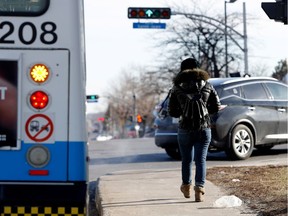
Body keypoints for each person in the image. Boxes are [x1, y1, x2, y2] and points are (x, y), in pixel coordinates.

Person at [168, 58, 221, 202]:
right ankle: (199, 188)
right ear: (198, 69)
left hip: (184, 128)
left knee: (186, 160)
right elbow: (215, 107)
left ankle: (186, 187)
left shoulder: (176, 88)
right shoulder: (208, 85)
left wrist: (183, 109)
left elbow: (172, 112)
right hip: (203, 128)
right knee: (201, 160)